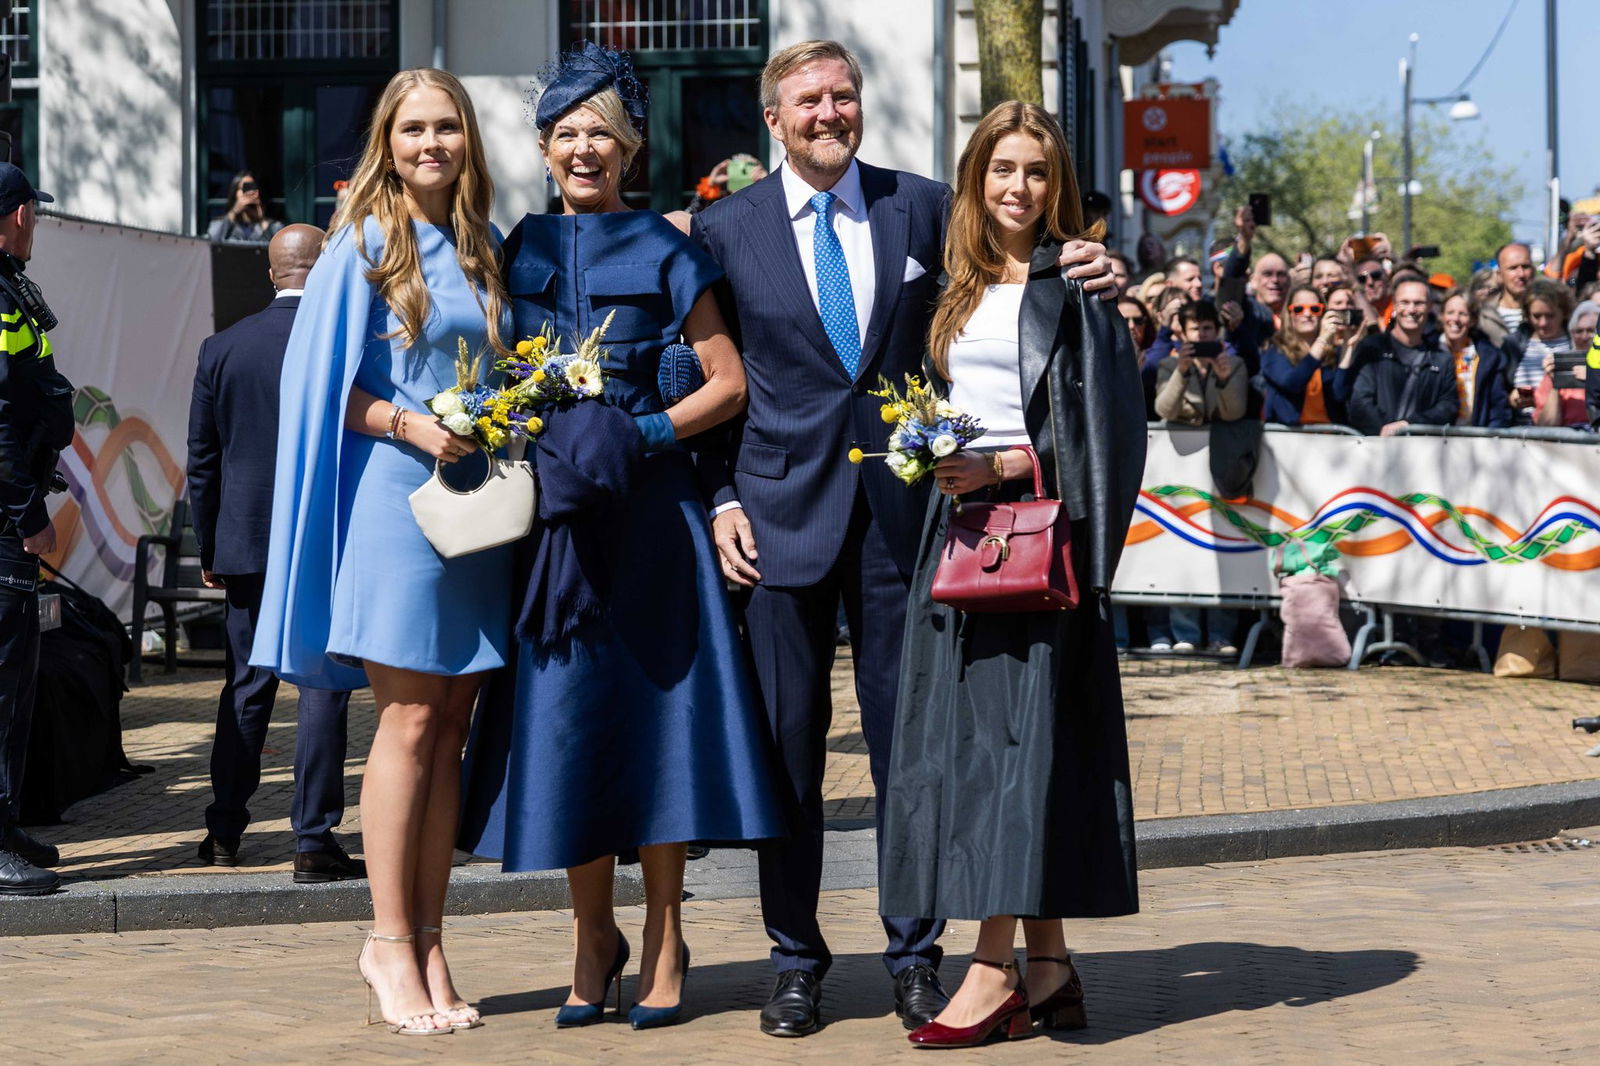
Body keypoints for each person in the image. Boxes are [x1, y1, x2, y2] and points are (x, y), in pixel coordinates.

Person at [689, 38, 1116, 1039]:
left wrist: (1091, 253)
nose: (830, 113)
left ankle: (915, 956)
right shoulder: (720, 230)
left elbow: (1025, 255)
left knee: (916, 753)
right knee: (787, 757)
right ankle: (793, 958)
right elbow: (694, 372)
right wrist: (719, 500)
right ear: (773, 117)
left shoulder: (923, 206)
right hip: (778, 525)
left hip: (911, 527)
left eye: (843, 96)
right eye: (809, 101)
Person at [455, 41, 782, 1033]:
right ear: (545, 148)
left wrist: (637, 432)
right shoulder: (517, 249)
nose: (585, 147)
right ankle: (592, 937)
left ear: (630, 147)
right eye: (567, 133)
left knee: (660, 729)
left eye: (603, 131)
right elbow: (483, 371)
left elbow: (726, 382)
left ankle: (669, 932)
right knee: (573, 730)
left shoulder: (674, 250)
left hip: (651, 526)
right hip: (556, 531)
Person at [252, 68, 513, 1036]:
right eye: (413, 129)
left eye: (446, 126)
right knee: (406, 724)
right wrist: (408, 423)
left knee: (450, 724)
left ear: (466, 139)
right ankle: (388, 942)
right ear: (386, 141)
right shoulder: (361, 243)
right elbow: (319, 388)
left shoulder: (481, 244)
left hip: (474, 513)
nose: (431, 143)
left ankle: (431, 937)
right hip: (392, 506)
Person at [878, 100, 1144, 1048]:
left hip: (1037, 545)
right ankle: (1051, 965)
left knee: (1012, 752)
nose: (1018, 188)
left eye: (1036, 171)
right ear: (975, 178)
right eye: (1002, 169)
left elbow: (1105, 436)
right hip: (953, 539)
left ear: (1057, 183)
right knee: (980, 753)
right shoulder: (953, 285)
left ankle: (992, 970)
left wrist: (1006, 464)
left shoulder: (1077, 285)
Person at [185, 224, 363, 883]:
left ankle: (224, 829)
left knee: (246, 684)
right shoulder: (345, 344)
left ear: (271, 274)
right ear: (327, 269)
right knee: (322, 686)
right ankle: (313, 837)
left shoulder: (221, 348)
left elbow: (202, 460)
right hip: (323, 534)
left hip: (248, 541)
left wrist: (211, 543)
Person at [0, 163, 71, 897]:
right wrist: (28, 517)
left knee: (16, 679)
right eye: (32, 212)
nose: (36, 224)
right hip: (3, 520)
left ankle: (6, 818)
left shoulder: (10, 284)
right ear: (15, 214)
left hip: (11, 509)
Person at [1348, 278, 1458, 436]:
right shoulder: (1371, 348)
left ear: (1429, 306)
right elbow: (1360, 400)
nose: (1411, 309)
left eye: (1418, 303)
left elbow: (1448, 407)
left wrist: (1409, 425)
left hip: (1422, 451)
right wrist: (1385, 429)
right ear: (1394, 305)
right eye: (1404, 302)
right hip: (1374, 447)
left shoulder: (1442, 358)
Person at [1258, 284, 1356, 426]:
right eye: (1298, 309)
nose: (1307, 314)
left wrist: (1348, 345)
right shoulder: (1274, 350)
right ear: (1289, 314)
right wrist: (1322, 340)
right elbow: (1292, 383)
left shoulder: (1332, 353)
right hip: (1289, 440)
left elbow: (1339, 394)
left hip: (1330, 437)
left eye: (1315, 309)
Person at [1438, 287, 1511, 428]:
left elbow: (1498, 405)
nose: (1456, 319)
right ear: (1441, 316)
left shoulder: (1489, 356)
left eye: (1463, 314)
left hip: (1475, 439)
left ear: (1472, 320)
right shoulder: (1429, 351)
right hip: (1434, 439)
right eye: (1450, 312)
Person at [1508, 277, 1574, 423]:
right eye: (1536, 316)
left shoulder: (1576, 342)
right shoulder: (1514, 344)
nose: (1543, 323)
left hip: (1568, 429)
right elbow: (1498, 394)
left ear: (1563, 312)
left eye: (1550, 316)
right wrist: (1512, 399)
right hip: (1521, 431)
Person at [1533, 299, 1595, 428]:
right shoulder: (1559, 367)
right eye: (1578, 331)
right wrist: (1556, 384)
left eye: (1590, 331)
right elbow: (1546, 427)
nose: (1584, 337)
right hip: (1566, 443)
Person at [1479, 242, 1535, 346]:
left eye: (1526, 267)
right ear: (1499, 275)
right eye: (1513, 268)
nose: (1521, 274)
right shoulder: (1483, 315)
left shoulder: (1548, 313)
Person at [207, 172, 285, 243]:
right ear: (235, 193)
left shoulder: (274, 226)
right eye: (245, 188)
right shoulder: (224, 224)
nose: (249, 193)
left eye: (253, 188)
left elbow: (279, 247)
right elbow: (212, 241)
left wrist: (261, 220)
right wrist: (234, 211)